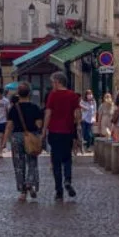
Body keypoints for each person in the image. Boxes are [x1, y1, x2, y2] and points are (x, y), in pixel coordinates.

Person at [43, 71, 81, 201]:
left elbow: (48, 113)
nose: (52, 84)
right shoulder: (73, 95)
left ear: (58, 82)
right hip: (68, 131)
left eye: (53, 82)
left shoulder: (53, 95)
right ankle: (68, 180)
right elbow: (77, 115)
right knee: (67, 158)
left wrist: (44, 130)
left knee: (56, 161)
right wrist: (76, 130)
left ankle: (59, 191)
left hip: (54, 131)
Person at [3, 81, 43, 201]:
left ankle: (22, 191)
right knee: (32, 161)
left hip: (17, 137)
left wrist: (4, 141)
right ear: (29, 93)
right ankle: (30, 182)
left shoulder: (13, 109)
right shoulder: (35, 107)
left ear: (18, 94)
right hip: (31, 136)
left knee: (19, 164)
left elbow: (9, 126)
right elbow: (39, 124)